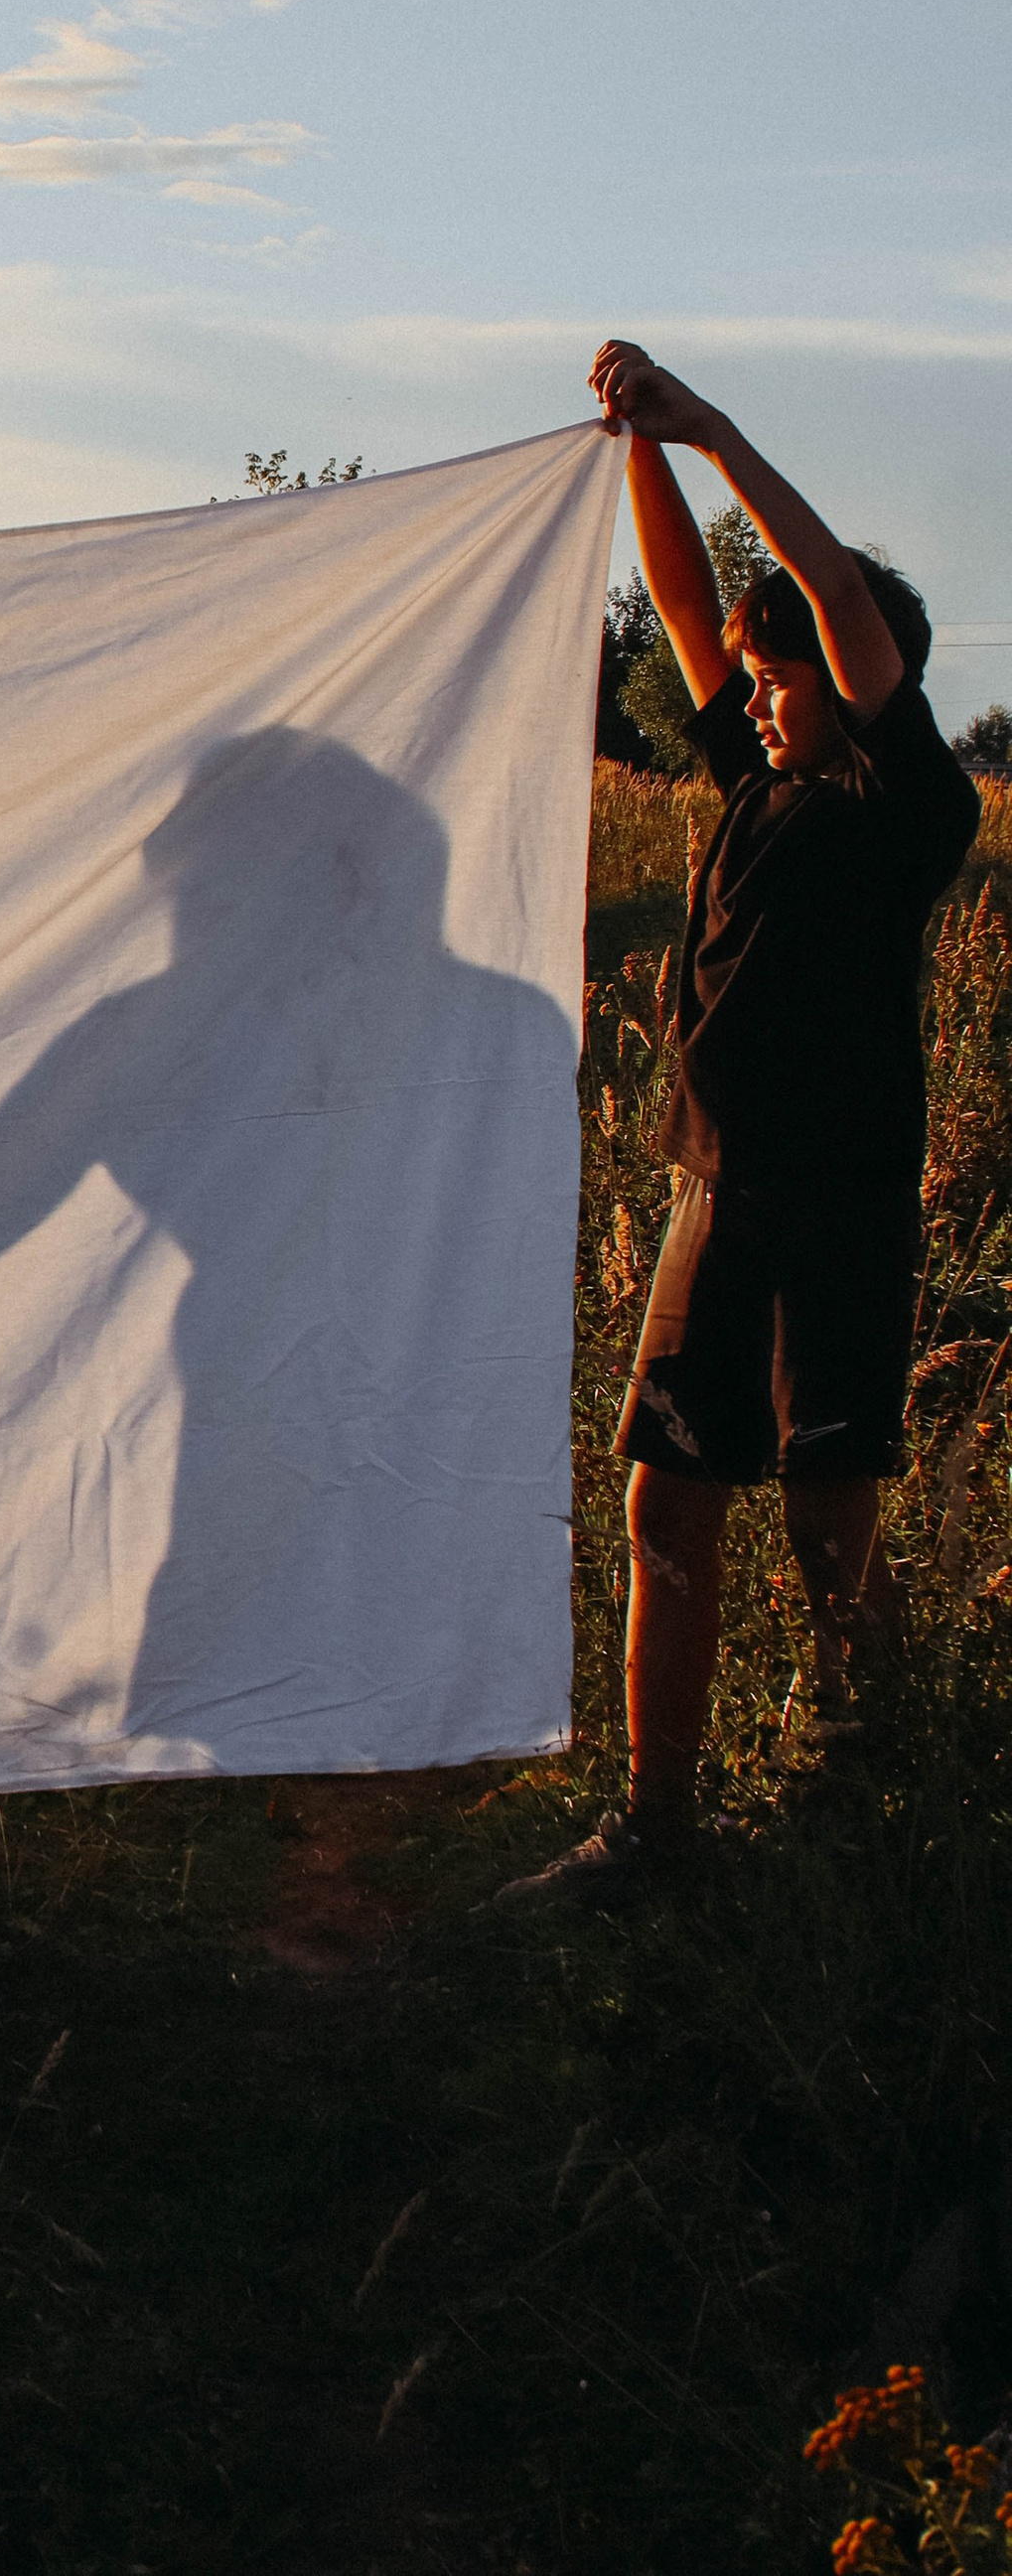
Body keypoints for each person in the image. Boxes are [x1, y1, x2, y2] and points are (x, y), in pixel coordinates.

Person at [507, 346, 978, 1908]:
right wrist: (637, 448)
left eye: (784, 679)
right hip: (720, 1202)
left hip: (840, 1213)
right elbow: (699, 613)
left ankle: (877, 1819)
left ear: (855, 686)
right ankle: (656, 1833)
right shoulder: (758, 790)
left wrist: (718, 435)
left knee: (834, 1534)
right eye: (758, 677)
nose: (755, 693)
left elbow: (827, 587)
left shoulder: (906, 810)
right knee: (664, 1504)